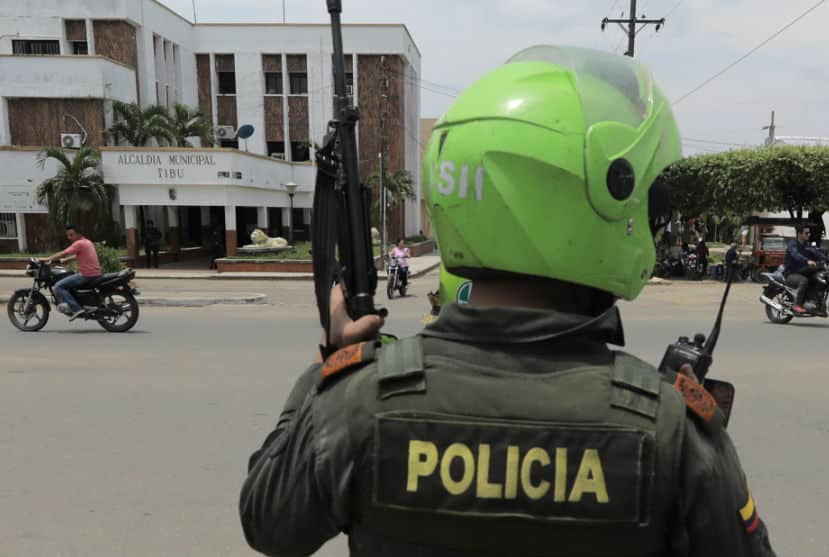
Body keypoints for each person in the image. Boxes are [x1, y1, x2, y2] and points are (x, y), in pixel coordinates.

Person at [239, 46, 774, 557]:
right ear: (600, 195)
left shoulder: (358, 404)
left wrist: (326, 365)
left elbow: (267, 522)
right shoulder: (670, 431)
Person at [40, 224, 102, 319]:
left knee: (58, 286)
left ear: (78, 234)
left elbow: (63, 253)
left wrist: (47, 258)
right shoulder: (87, 242)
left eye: (71, 235)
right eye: (68, 235)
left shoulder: (78, 244)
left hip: (86, 275)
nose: (69, 237)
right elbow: (77, 255)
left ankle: (76, 309)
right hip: (95, 273)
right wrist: (64, 261)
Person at [784, 225, 822, 314]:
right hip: (790, 273)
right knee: (804, 280)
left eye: (809, 233)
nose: (809, 234)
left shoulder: (807, 245)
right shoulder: (792, 244)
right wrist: (807, 261)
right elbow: (796, 255)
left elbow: (817, 252)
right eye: (806, 233)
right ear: (799, 234)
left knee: (817, 278)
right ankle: (796, 305)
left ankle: (813, 302)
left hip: (802, 271)